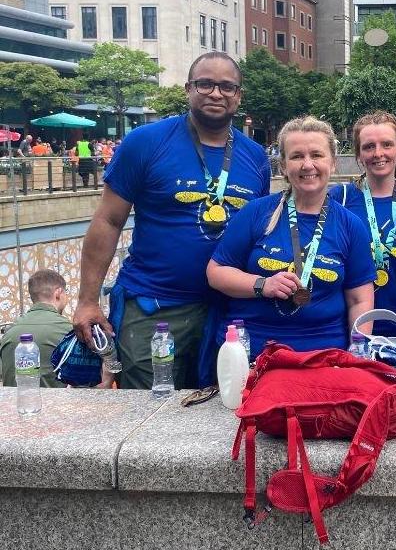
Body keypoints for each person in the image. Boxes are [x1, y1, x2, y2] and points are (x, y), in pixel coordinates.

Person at [73, 52, 271, 390]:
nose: (215, 93)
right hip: (156, 309)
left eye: (227, 86)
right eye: (205, 83)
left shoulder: (255, 157)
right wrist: (88, 300)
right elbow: (108, 220)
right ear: (187, 89)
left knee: (218, 412)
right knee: (149, 417)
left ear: (238, 95)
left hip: (226, 312)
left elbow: (256, 235)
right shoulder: (145, 143)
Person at [207, 115, 375, 355]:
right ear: (284, 165)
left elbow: (360, 300)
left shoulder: (350, 226)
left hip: (324, 356)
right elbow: (216, 273)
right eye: (297, 156)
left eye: (317, 155)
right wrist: (262, 284)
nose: (308, 165)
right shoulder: (256, 213)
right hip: (254, 353)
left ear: (333, 163)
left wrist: (357, 353)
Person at [330, 111, 396, 337]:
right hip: (347, 334)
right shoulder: (340, 198)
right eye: (368, 147)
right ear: (359, 155)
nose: (378, 153)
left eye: (386, 144)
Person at [0, 270, 70, 388]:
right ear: (58, 293)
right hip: (57, 405)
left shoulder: (9, 332)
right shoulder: (69, 331)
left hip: (14, 404)